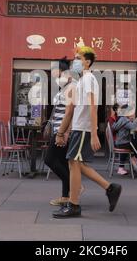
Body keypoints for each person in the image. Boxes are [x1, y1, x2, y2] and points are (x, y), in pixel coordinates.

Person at [53, 46, 122, 218]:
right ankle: (110, 188)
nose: (75, 61)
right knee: (78, 164)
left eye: (78, 58)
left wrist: (93, 133)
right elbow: (72, 109)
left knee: (73, 163)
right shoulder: (82, 80)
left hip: (83, 128)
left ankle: (74, 204)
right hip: (79, 127)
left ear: (87, 62)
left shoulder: (90, 78)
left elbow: (93, 107)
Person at [44, 57, 76, 206]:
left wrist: (63, 133)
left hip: (61, 133)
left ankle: (75, 187)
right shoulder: (64, 87)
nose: (52, 73)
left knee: (49, 159)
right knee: (63, 163)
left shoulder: (71, 87)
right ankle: (65, 196)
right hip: (58, 131)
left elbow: (71, 113)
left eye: (54, 70)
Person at [111, 104, 137, 175]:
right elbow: (134, 127)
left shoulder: (121, 119)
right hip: (123, 143)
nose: (132, 113)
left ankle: (134, 160)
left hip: (120, 142)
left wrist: (131, 120)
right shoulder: (124, 120)